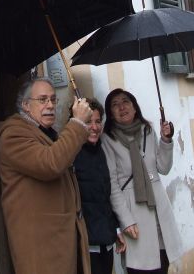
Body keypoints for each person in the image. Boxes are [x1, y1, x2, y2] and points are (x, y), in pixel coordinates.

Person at [0, 77, 94, 274]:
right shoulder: (13, 135)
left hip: (59, 239)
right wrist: (76, 123)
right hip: (41, 245)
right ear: (25, 105)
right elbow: (51, 163)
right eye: (42, 100)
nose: (50, 105)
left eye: (53, 99)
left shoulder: (46, 132)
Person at [101, 88, 181, 273]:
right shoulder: (108, 140)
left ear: (135, 107)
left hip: (159, 210)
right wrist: (126, 220)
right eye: (115, 105)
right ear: (111, 113)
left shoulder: (148, 130)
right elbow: (112, 184)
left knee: (163, 263)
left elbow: (163, 167)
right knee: (141, 268)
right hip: (135, 214)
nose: (122, 107)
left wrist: (166, 140)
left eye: (125, 102)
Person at [73, 98, 127, 274]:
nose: (95, 127)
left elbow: (105, 197)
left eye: (98, 121)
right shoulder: (72, 155)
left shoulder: (102, 151)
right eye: (88, 121)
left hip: (106, 241)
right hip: (86, 246)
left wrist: (115, 229)